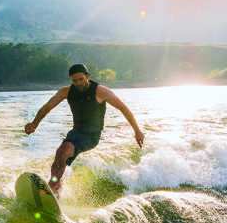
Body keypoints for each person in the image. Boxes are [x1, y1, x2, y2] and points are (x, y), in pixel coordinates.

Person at [23, 63, 145, 194]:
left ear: (87, 76)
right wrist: (34, 124)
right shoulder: (66, 91)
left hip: (91, 135)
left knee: (64, 150)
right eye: (74, 81)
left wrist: (137, 130)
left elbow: (123, 108)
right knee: (60, 154)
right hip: (75, 133)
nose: (78, 83)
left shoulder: (101, 92)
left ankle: (51, 186)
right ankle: (56, 189)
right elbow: (47, 107)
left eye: (81, 79)